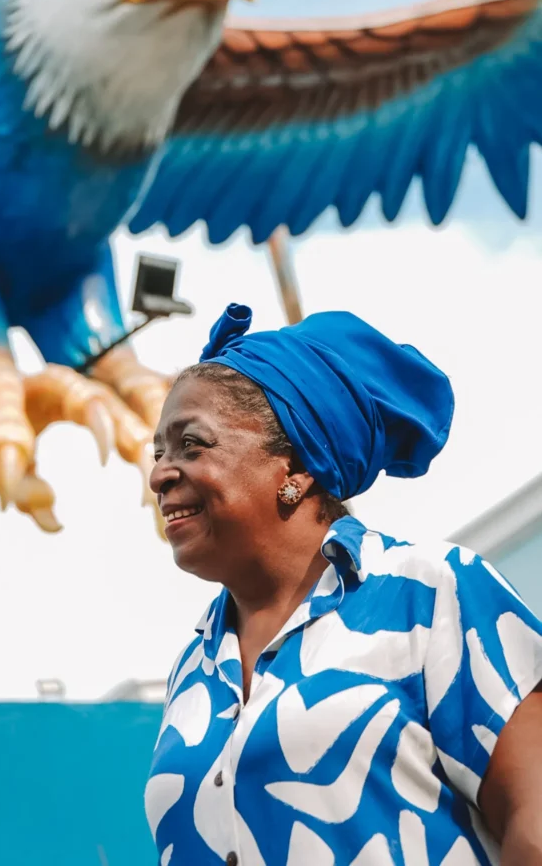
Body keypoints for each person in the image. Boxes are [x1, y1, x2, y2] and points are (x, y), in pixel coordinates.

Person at [145, 303, 542, 866]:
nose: (159, 474)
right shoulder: (193, 665)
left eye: (192, 445)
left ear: (296, 467)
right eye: (158, 452)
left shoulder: (428, 594)